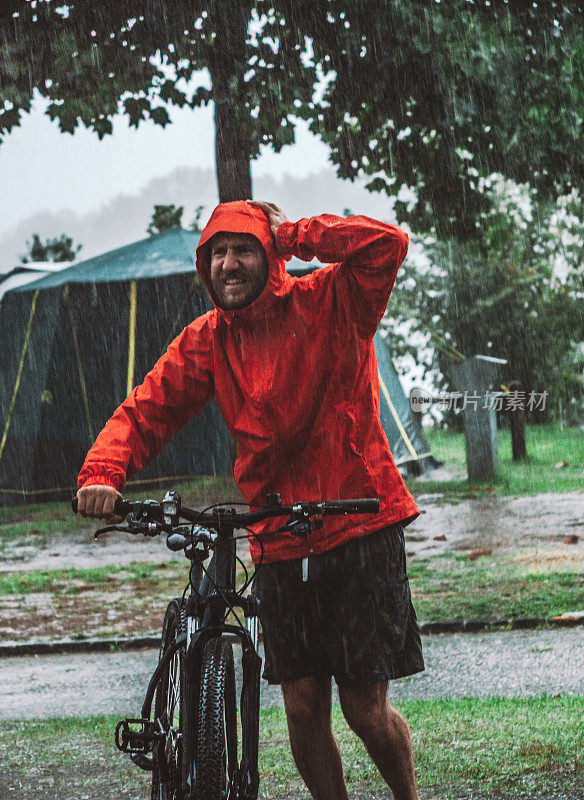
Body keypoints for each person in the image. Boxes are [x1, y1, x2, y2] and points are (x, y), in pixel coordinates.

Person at [77, 200, 424, 800]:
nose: (229, 264)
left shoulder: (331, 301)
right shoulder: (210, 340)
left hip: (358, 521)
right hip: (279, 535)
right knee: (302, 707)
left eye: (244, 249)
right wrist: (106, 469)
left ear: (271, 256)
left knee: (365, 711)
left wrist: (289, 233)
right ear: (203, 265)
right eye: (217, 252)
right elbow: (146, 410)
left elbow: (385, 244)